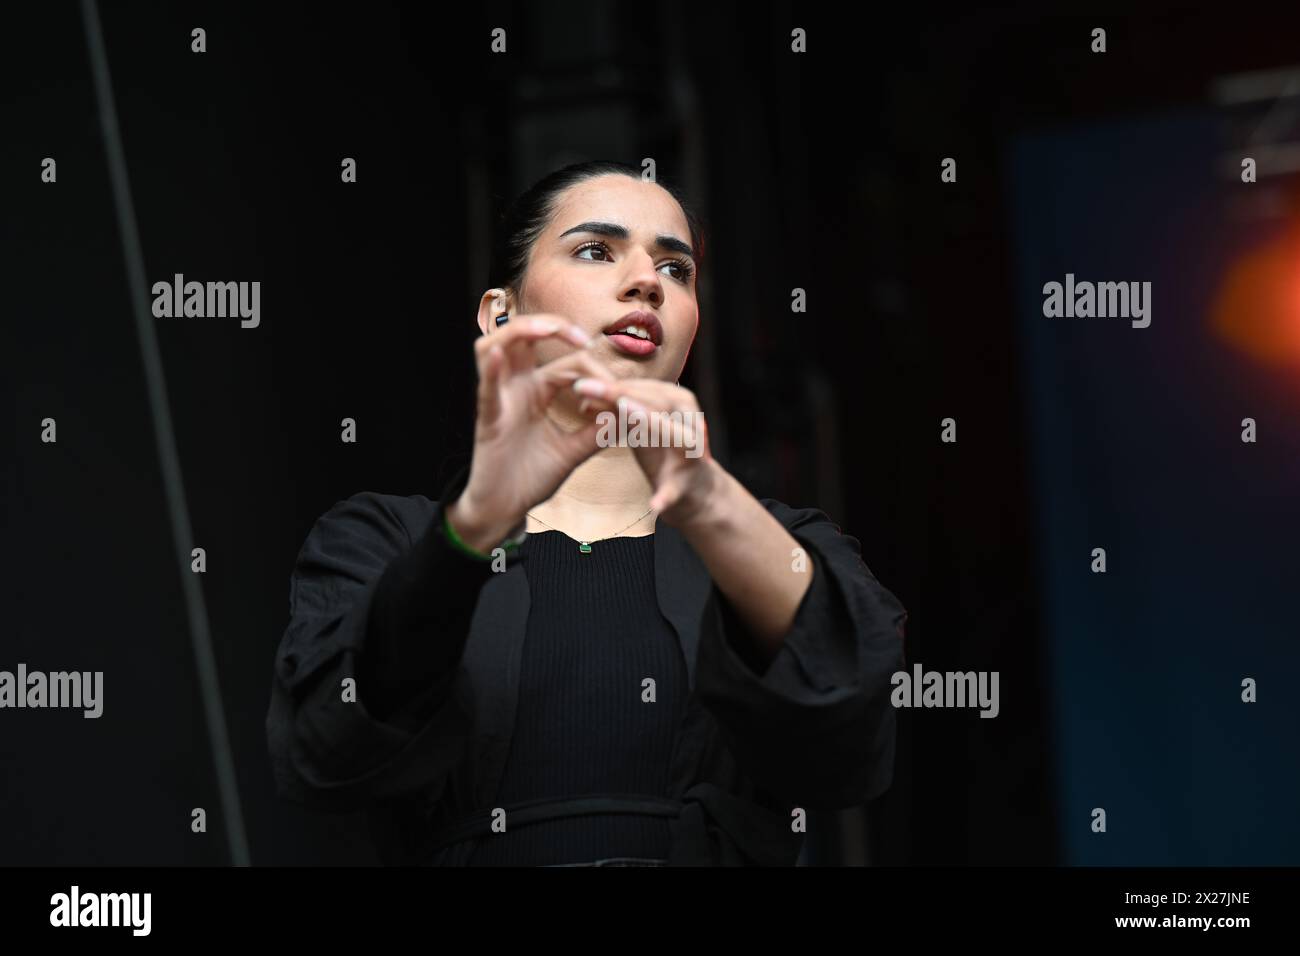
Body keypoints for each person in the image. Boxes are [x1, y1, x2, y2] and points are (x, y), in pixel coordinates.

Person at [265, 160, 908, 866]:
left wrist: (704, 493)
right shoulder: (385, 539)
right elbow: (325, 748)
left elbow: (852, 729)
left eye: (677, 269)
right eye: (597, 250)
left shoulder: (771, 543)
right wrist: (477, 522)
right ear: (500, 312)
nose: (646, 282)